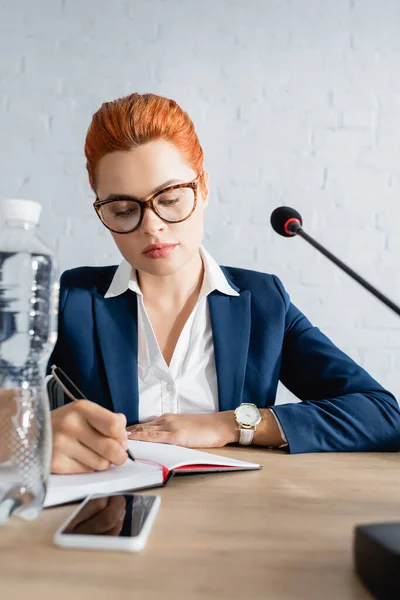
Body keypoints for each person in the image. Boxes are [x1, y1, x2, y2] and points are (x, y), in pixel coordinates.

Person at [48, 92, 400, 474]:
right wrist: (34, 434)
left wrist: (230, 424)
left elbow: (382, 414)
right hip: (113, 514)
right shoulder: (70, 300)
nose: (152, 225)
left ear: (203, 189)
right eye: (123, 210)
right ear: (101, 208)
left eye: (169, 198)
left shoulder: (264, 301)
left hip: (233, 514)